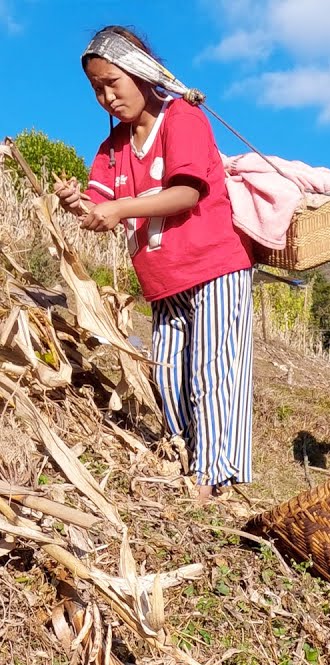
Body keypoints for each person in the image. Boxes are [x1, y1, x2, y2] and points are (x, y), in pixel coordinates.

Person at [55, 26, 254, 503]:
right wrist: (74, 203)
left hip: (214, 269)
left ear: (141, 72)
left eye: (112, 82)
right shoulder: (112, 150)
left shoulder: (181, 118)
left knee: (214, 371)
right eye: (96, 88)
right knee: (168, 373)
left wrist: (120, 209)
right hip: (163, 282)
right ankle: (189, 459)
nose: (106, 96)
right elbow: (97, 211)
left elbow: (186, 194)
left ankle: (214, 476)